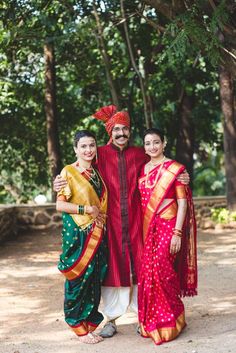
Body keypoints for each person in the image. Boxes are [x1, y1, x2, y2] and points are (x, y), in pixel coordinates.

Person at [54, 105, 189, 338]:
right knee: (112, 270)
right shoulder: (100, 154)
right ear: (110, 131)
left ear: (129, 131)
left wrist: (181, 175)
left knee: (139, 269)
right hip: (109, 224)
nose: (121, 134)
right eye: (116, 129)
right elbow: (79, 171)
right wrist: (58, 182)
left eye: (125, 129)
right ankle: (112, 319)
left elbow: (160, 164)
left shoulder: (139, 153)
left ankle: (142, 316)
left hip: (138, 222)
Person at [138, 128, 197, 346]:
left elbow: (182, 203)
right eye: (147, 143)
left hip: (169, 227)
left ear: (164, 143)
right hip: (149, 230)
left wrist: (177, 233)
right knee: (148, 275)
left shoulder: (175, 169)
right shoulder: (143, 169)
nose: (152, 147)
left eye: (156, 142)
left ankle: (172, 320)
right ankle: (152, 321)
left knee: (163, 272)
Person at [56, 130, 108, 344]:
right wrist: (85, 209)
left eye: (92, 146)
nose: (88, 150)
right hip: (78, 234)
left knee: (95, 278)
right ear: (76, 149)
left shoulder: (97, 172)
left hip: (97, 232)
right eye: (83, 146)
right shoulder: (68, 172)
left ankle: (89, 322)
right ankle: (76, 324)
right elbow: (60, 204)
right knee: (78, 278)